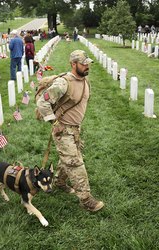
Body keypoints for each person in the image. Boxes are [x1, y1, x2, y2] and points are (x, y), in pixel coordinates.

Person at [36, 50, 104, 212]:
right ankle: (86, 199)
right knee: (75, 163)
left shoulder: (85, 81)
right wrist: (54, 121)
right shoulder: (63, 83)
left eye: (88, 63)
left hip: (75, 129)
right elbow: (42, 102)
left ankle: (59, 182)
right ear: (73, 64)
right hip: (63, 130)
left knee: (67, 159)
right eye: (83, 63)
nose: (87, 66)